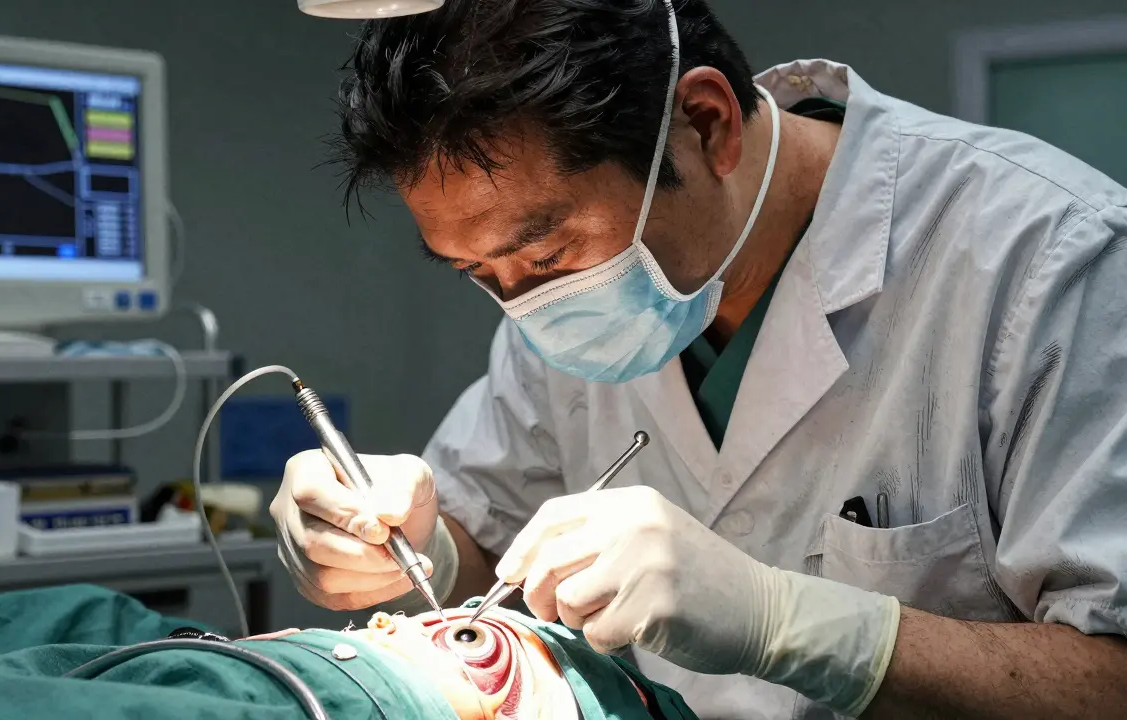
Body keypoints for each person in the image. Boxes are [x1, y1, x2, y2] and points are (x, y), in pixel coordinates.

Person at [270, 0, 1127, 717]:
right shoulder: (548, 301)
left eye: (547, 257)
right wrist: (415, 546)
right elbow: (488, 532)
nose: (523, 302)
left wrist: (792, 623)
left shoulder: (1049, 260)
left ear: (706, 125)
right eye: (476, 274)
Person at [0, 584, 694, 720]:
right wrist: (433, 537)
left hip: (315, 701)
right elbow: (478, 506)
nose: (399, 620)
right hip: (240, 654)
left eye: (473, 639)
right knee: (81, 615)